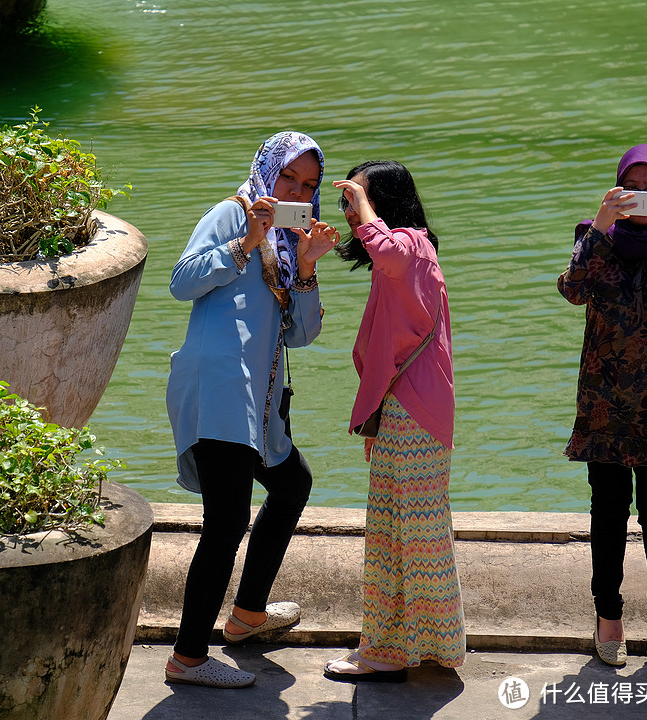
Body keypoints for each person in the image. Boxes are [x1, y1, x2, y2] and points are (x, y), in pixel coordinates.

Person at [164, 131, 341, 688]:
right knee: (227, 522)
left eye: (308, 185)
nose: (295, 190)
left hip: (256, 404)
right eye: (287, 177)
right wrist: (245, 240)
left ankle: (245, 618)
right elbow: (181, 282)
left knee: (291, 486)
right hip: (218, 388)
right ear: (268, 169)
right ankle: (189, 657)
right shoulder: (230, 213)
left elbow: (302, 335)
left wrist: (308, 266)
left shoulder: (289, 248)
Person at [324, 160, 465, 683]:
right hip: (406, 408)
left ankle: (394, 648)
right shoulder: (408, 252)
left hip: (414, 408)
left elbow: (387, 250)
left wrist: (363, 211)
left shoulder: (411, 244)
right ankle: (407, 645)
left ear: (385, 202)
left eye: (357, 198)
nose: (349, 210)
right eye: (346, 201)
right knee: (397, 530)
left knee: (409, 533)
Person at [557, 143, 647, 669]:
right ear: (617, 192)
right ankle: (609, 621)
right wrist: (600, 227)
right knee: (607, 515)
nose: (644, 197)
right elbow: (573, 290)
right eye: (633, 187)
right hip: (605, 406)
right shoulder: (595, 240)